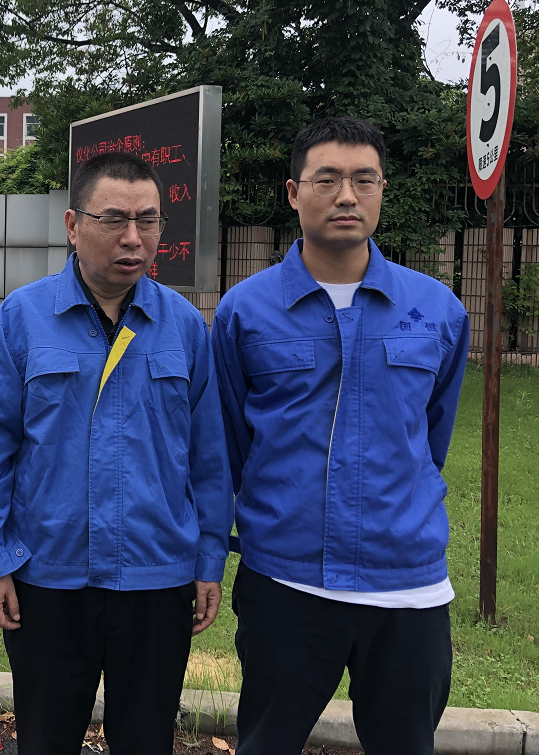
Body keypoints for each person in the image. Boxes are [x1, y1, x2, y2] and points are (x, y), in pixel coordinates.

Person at [0, 152, 232, 753]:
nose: (133, 238)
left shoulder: (184, 326)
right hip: (48, 577)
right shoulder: (22, 319)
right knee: (47, 738)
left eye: (148, 220)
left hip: (157, 577)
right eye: (113, 220)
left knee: (147, 739)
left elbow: (208, 458)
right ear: (73, 225)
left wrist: (209, 559)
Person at [211, 117, 470, 754]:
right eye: (326, 179)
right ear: (294, 193)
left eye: (364, 179)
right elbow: (228, 446)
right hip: (286, 582)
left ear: (382, 190)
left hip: (407, 586)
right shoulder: (244, 311)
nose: (346, 196)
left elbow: (430, 437)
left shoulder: (437, 309)